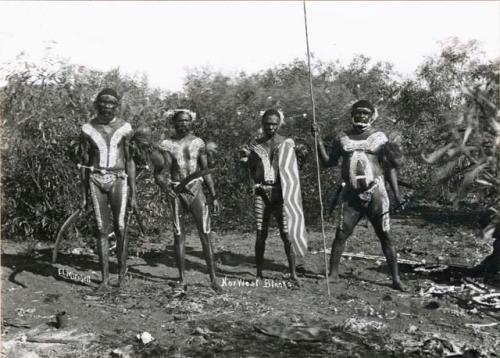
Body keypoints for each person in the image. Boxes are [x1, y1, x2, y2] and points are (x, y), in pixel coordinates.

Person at [312, 99, 405, 291]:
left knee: (385, 236)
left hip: (376, 193)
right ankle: (333, 274)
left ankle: (396, 279)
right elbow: (329, 162)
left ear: (371, 116)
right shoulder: (342, 138)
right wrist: (318, 141)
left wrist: (397, 195)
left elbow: (390, 169)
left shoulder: (380, 138)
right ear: (352, 115)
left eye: (365, 113)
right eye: (358, 113)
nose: (361, 116)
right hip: (351, 194)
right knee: (340, 234)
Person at [153, 109, 221, 292]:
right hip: (177, 190)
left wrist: (213, 196)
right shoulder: (166, 144)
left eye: (187, 121)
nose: (183, 124)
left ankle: (213, 279)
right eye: (180, 121)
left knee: (205, 233)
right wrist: (166, 188)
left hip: (197, 189)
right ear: (173, 123)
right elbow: (158, 173)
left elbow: (205, 171)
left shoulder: (199, 143)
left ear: (192, 123)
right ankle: (182, 279)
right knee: (178, 235)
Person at [79, 88, 137, 291]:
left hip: (119, 178)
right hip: (95, 179)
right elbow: (84, 163)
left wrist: (134, 193)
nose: (107, 106)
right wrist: (83, 195)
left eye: (111, 102)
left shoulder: (125, 128)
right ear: (97, 104)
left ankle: (121, 277)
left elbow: (130, 161)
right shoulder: (87, 129)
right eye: (103, 102)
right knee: (101, 229)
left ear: (116, 105)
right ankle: (104, 280)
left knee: (121, 227)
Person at [240, 109, 305, 284]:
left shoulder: (286, 144)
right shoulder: (255, 146)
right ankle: (259, 275)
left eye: (274, 124)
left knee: (287, 234)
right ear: (262, 124)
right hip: (262, 193)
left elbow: (296, 169)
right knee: (261, 233)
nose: (270, 127)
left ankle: (293, 274)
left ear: (279, 124)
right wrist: (252, 184)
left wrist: (302, 154)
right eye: (267, 123)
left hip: (281, 194)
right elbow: (249, 170)